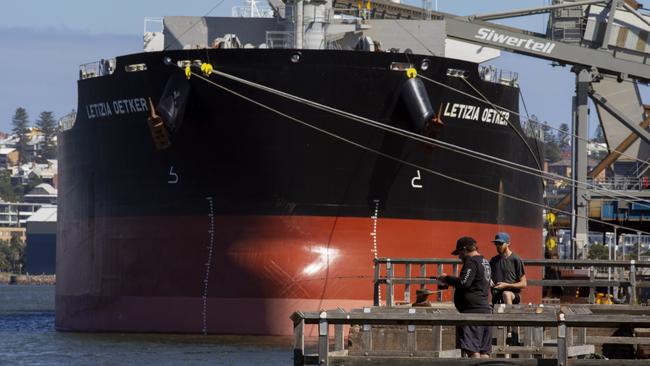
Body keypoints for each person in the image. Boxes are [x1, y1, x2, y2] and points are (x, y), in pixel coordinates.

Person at [438, 237, 492, 358]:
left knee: (472, 351)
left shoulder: (471, 262)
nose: (459, 257)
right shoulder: (485, 261)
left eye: (459, 253)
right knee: (484, 352)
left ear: (464, 250)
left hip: (472, 313)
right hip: (484, 310)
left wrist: (447, 278)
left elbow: (464, 282)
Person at [489, 232, 527, 305]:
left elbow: (524, 284)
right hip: (496, 296)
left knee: (506, 294)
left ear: (508, 243)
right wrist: (489, 281)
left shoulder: (516, 259)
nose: (498, 246)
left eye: (500, 244)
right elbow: (488, 276)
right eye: (496, 244)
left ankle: (510, 315)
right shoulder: (493, 260)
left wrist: (506, 285)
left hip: (512, 295)